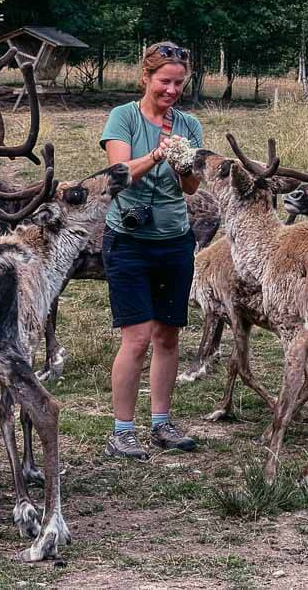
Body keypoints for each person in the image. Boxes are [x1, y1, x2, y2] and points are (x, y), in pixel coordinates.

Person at [99, 41, 203, 460]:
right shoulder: (122, 117)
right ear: (146, 78)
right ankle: (122, 430)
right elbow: (118, 175)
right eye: (165, 81)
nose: (172, 90)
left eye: (179, 82)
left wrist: (182, 163)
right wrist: (158, 153)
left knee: (168, 335)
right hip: (128, 241)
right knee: (137, 337)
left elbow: (192, 187)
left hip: (175, 240)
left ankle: (161, 423)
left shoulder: (189, 125)